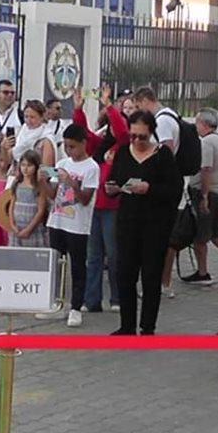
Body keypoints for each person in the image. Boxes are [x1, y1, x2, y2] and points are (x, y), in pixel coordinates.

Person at [107, 112, 183, 336]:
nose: (137, 141)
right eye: (133, 136)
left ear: (151, 133)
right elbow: (114, 179)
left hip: (155, 225)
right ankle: (127, 325)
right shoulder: (123, 153)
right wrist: (111, 189)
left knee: (151, 276)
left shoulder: (163, 155)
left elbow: (174, 190)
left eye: (142, 136)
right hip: (127, 222)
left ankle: (148, 326)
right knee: (125, 274)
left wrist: (150, 189)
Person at [73, 86, 129, 314]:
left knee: (114, 255)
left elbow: (122, 132)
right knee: (93, 256)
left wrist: (109, 105)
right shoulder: (99, 145)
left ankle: (117, 297)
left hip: (113, 208)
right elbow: (83, 134)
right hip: (93, 206)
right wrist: (78, 109)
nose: (113, 127)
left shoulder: (123, 145)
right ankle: (92, 300)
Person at [40, 124, 99, 328]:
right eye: (65, 146)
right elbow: (52, 193)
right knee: (56, 263)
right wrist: (43, 181)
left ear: (83, 143)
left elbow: (85, 199)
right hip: (57, 220)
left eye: (72, 146)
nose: (69, 150)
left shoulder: (91, 167)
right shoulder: (63, 162)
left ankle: (76, 307)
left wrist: (72, 182)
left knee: (77, 265)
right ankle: (56, 303)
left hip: (78, 225)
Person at [180, 108, 218, 285]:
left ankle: (203, 272)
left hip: (211, 194)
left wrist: (204, 195)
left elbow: (205, 169)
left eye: (197, 122)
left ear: (203, 123)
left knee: (200, 236)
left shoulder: (207, 142)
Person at [8, 149, 49, 248]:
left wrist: (28, 229)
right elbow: (12, 205)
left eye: (29, 165)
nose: (25, 169)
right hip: (17, 227)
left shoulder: (39, 185)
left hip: (33, 228)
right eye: (23, 165)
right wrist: (12, 224)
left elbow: (41, 210)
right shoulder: (17, 183)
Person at [0, 100, 56, 169]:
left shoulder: (46, 138)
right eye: (26, 117)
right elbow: (7, 161)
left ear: (42, 117)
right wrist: (3, 148)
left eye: (32, 117)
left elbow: (48, 169)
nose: (28, 120)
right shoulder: (20, 132)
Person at [132, 86, 180, 155]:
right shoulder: (169, 113)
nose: (137, 111)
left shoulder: (162, 121)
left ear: (145, 101)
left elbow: (167, 152)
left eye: (138, 106)